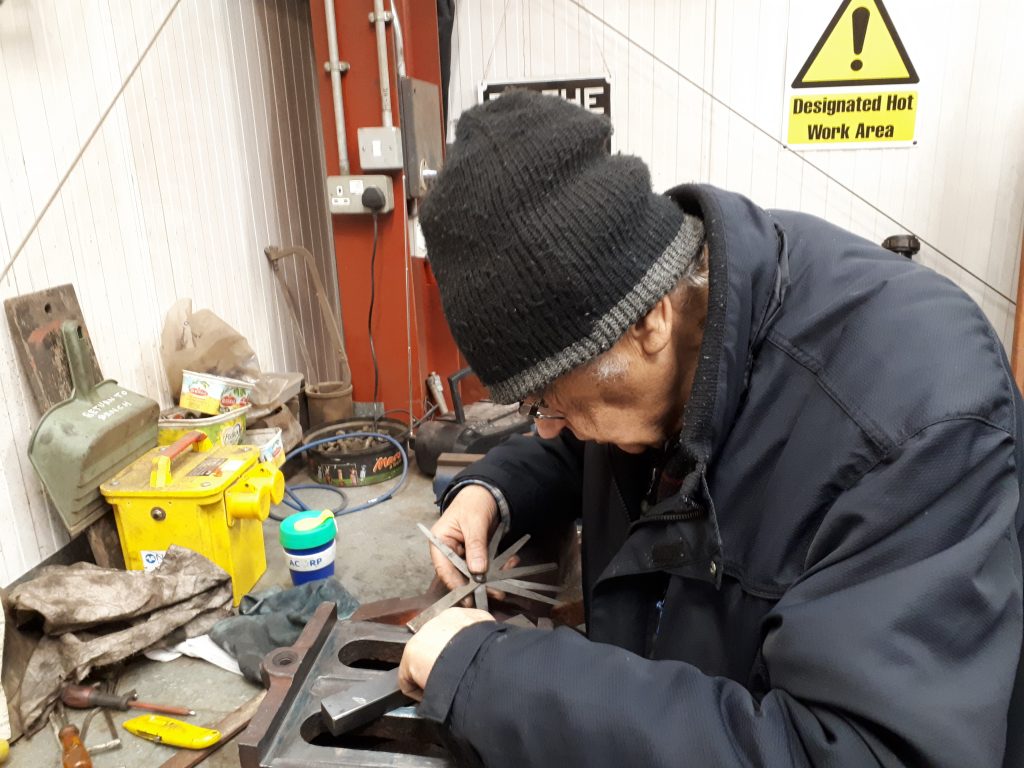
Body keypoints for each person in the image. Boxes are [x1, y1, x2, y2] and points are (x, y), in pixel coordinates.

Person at [397, 89, 1024, 767]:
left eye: (551, 400)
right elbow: (598, 434)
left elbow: (852, 753)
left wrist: (496, 676)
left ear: (649, 321)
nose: (553, 428)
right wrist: (497, 488)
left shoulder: (916, 425)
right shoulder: (684, 297)